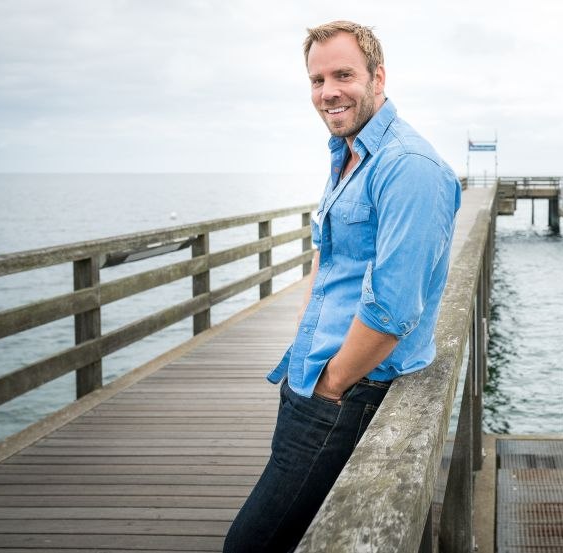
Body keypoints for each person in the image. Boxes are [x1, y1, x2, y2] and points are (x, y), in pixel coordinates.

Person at [223, 20, 461, 552]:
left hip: (347, 393)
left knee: (249, 545)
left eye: (343, 74)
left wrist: (331, 386)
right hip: (311, 378)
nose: (328, 91)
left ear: (378, 77)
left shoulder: (408, 167)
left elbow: (392, 310)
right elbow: (328, 257)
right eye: (316, 79)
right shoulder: (349, 154)